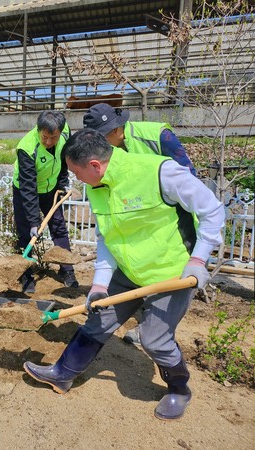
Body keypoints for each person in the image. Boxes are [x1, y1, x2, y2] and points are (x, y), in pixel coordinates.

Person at [24, 129, 224, 420]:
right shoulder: (97, 186)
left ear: (94, 165)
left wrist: (198, 259)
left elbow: (213, 211)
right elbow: (107, 237)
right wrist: (99, 284)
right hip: (128, 270)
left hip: (170, 274)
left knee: (156, 340)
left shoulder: (159, 172)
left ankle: (179, 389)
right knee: (98, 318)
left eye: (75, 172)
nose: (75, 179)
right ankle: (62, 374)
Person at [83, 103, 198, 345]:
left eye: (101, 137)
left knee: (167, 276)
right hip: (135, 220)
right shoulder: (107, 153)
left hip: (172, 218)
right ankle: (148, 327)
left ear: (116, 129)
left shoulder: (158, 136)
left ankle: (155, 332)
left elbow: (189, 178)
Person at [12, 110, 78, 293]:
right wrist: (34, 221)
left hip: (51, 189)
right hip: (25, 190)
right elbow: (28, 187)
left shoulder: (65, 134)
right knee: (26, 233)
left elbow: (65, 159)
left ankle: (68, 271)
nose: (49, 142)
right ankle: (26, 275)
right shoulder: (26, 148)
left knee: (58, 227)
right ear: (38, 130)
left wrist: (62, 183)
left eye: (53, 138)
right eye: (45, 137)